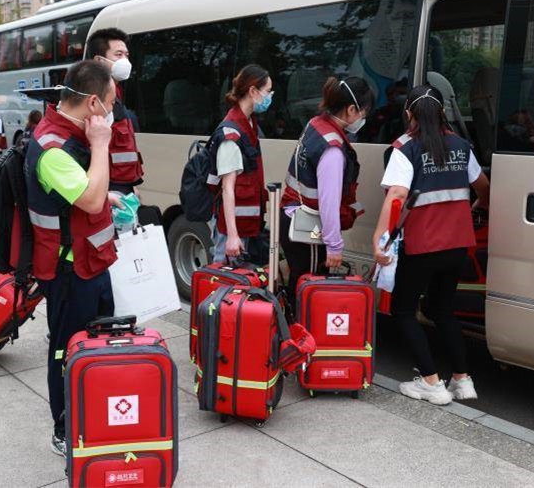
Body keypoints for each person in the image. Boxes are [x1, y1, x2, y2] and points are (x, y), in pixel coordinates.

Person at [373, 84, 490, 406]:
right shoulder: (461, 145)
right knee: (442, 309)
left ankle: (431, 383)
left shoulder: (405, 148)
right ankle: (463, 381)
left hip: (422, 245)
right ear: (443, 111)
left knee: (404, 310)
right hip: (457, 244)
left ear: (408, 112)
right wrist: (473, 207)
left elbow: (396, 196)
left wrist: (379, 239)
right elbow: (483, 187)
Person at [24, 60, 117, 456]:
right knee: (67, 348)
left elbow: (88, 194)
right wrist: (101, 145)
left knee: (99, 343)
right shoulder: (52, 147)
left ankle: (94, 411)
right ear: (93, 103)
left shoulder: (73, 136)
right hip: (67, 271)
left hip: (91, 262)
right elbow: (91, 198)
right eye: (111, 104)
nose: (113, 113)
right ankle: (64, 427)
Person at [280, 77, 374, 307]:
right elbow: (328, 203)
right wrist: (334, 245)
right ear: (351, 109)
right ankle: (298, 336)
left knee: (298, 282)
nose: (363, 118)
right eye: (363, 112)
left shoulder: (315, 124)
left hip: (293, 217)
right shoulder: (332, 149)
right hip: (308, 230)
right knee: (306, 288)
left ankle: (293, 334)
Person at [206, 64, 271, 263]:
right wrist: (232, 237)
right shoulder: (231, 133)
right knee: (222, 284)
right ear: (253, 91)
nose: (270, 97)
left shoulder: (249, 123)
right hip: (231, 229)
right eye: (268, 91)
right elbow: (227, 188)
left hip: (247, 225)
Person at [87, 28, 144, 207]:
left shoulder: (116, 96)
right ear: (99, 61)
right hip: (108, 190)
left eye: (126, 55)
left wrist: (133, 186)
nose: (125, 61)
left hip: (123, 187)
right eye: (118, 54)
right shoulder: (94, 101)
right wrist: (105, 194)